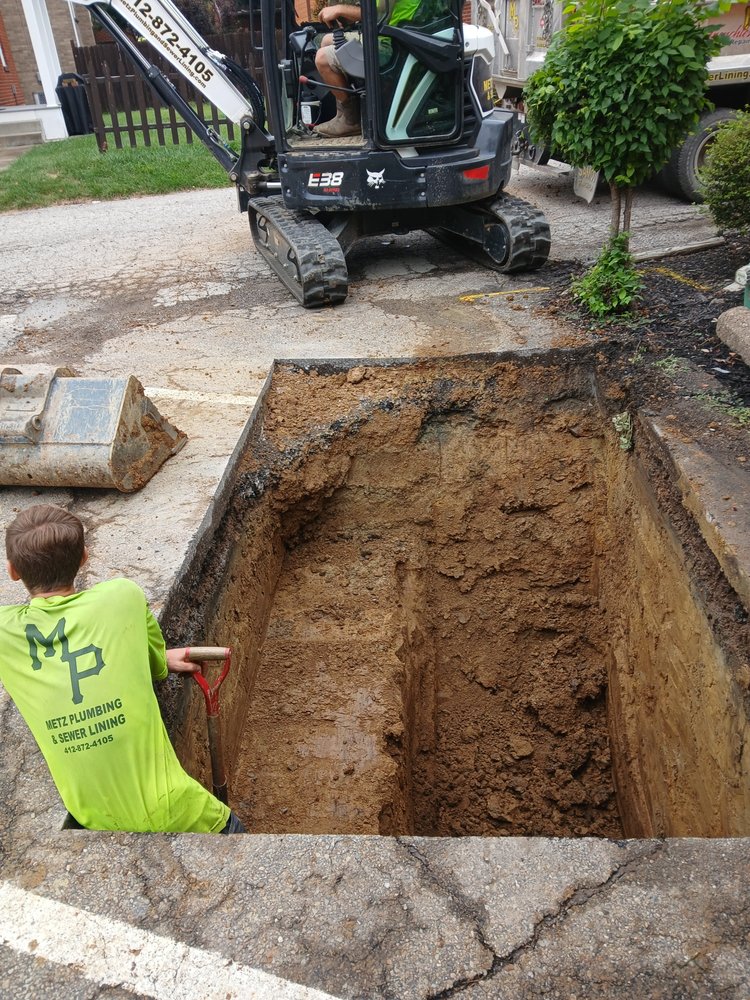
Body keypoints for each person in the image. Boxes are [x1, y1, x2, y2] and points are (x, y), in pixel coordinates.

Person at [0, 504, 245, 834]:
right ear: (84, 557)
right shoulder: (122, 596)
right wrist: (160, 659)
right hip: (180, 810)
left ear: (13, 571)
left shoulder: (5, 634)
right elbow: (155, 667)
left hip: (96, 821)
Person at [314, 2, 364, 137]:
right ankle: (342, 114)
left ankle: (351, 121)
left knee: (322, 58)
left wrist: (341, 9)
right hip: (381, 34)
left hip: (387, 43)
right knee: (326, 40)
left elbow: (375, 14)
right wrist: (343, 15)